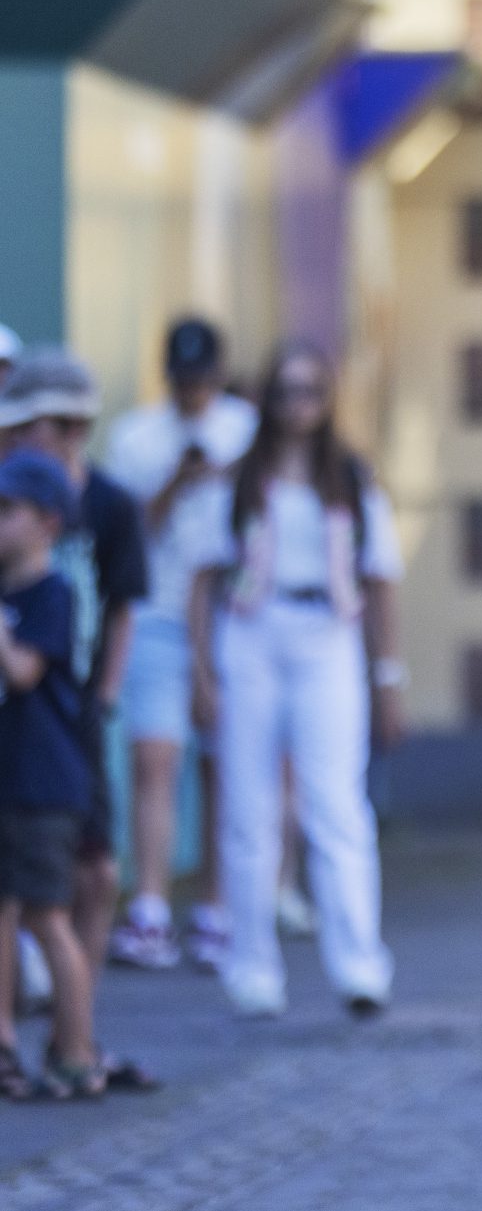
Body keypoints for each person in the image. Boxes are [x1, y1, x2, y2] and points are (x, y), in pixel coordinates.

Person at [188, 342, 403, 1019]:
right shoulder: (238, 482)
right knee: (247, 806)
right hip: (252, 630)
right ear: (267, 399)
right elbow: (200, 578)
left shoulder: (351, 480)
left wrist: (388, 673)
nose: (297, 405)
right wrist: (202, 669)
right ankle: (250, 964)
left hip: (328, 633)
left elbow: (381, 578)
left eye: (310, 390)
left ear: (328, 397)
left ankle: (360, 962)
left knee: (335, 802)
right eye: (285, 391)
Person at [0, 349, 158, 1094]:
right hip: (20, 719)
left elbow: (125, 604)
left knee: (93, 875)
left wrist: (106, 696)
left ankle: (77, 1034)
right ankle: (22, 1039)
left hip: (75, 713)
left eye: (64, 425)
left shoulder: (107, 505)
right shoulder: (14, 496)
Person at [104, 317, 259, 972]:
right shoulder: (137, 436)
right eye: (182, 379)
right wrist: (177, 481)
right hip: (160, 612)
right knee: (154, 757)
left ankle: (217, 908)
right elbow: (128, 534)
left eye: (202, 379)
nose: (192, 391)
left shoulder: (249, 432)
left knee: (224, 764)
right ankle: (151, 906)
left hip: (235, 614)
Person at [0, 450, 105, 1099]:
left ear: (45, 522)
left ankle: (77, 1050)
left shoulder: (51, 593)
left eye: (5, 511)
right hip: (10, 783)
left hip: (45, 788)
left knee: (47, 917)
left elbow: (24, 673)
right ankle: (10, 1041)